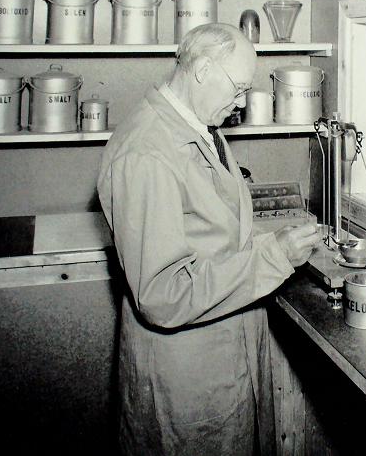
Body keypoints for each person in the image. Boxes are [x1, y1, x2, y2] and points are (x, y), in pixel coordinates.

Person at [97, 23, 322, 456]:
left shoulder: (200, 126)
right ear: (202, 70)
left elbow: (215, 231)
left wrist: (274, 240)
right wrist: (274, 256)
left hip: (225, 350)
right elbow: (163, 294)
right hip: (187, 373)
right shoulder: (147, 152)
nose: (242, 103)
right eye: (238, 89)